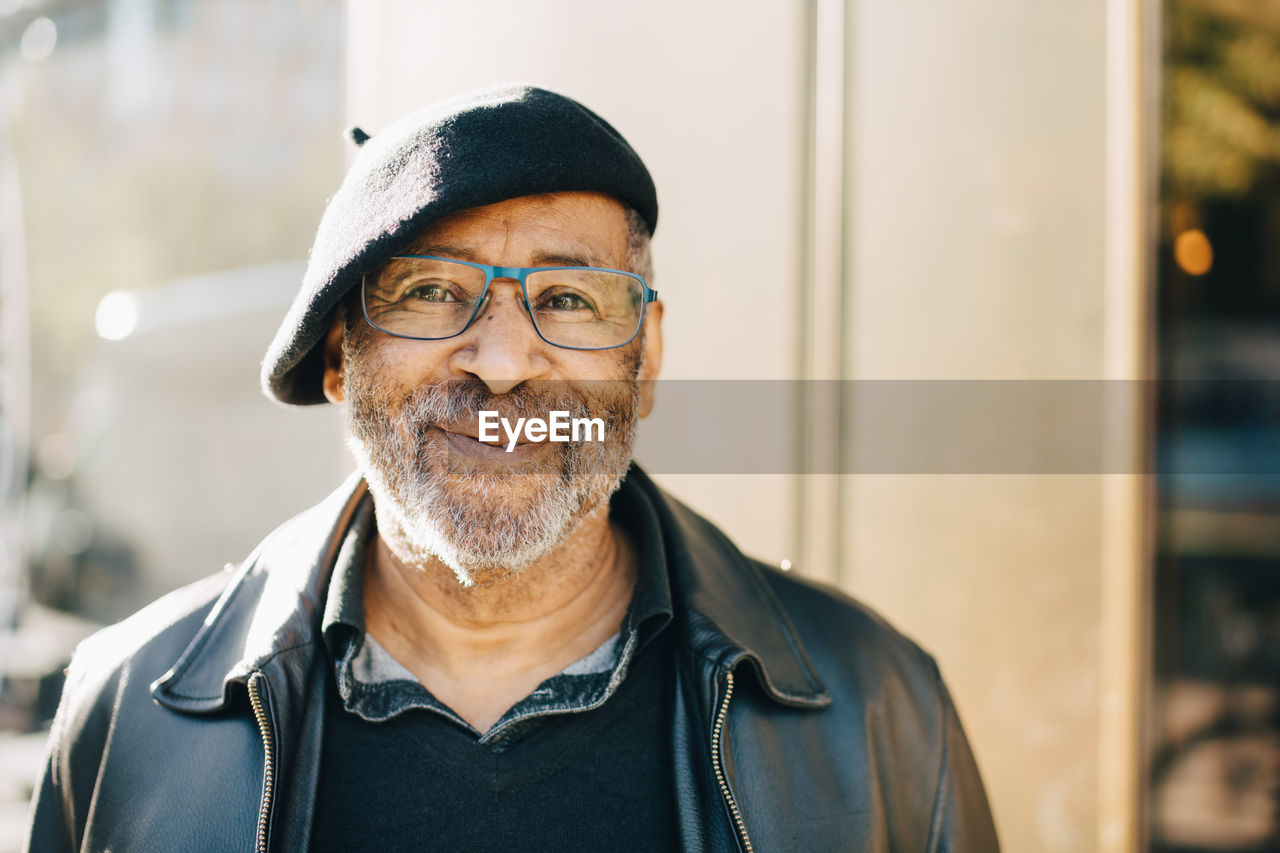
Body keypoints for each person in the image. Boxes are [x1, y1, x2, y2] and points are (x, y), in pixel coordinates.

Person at [25, 84, 1000, 852]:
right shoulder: (128, 715)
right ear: (336, 354)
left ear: (646, 357)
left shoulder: (878, 711)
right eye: (431, 290)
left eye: (570, 299)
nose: (501, 361)